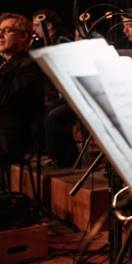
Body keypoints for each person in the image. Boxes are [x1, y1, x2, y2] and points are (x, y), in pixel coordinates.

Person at [0, 13, 46, 167]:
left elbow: (5, 97)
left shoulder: (31, 64)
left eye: (7, 31)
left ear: (23, 37)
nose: (0, 35)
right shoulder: (6, 65)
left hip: (9, 139)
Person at [31, 9, 81, 168]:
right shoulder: (53, 40)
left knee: (55, 116)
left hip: (76, 93)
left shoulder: (62, 40)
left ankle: (67, 160)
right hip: (66, 93)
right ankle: (57, 155)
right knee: (50, 110)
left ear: (49, 25)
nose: (34, 29)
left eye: (36, 25)